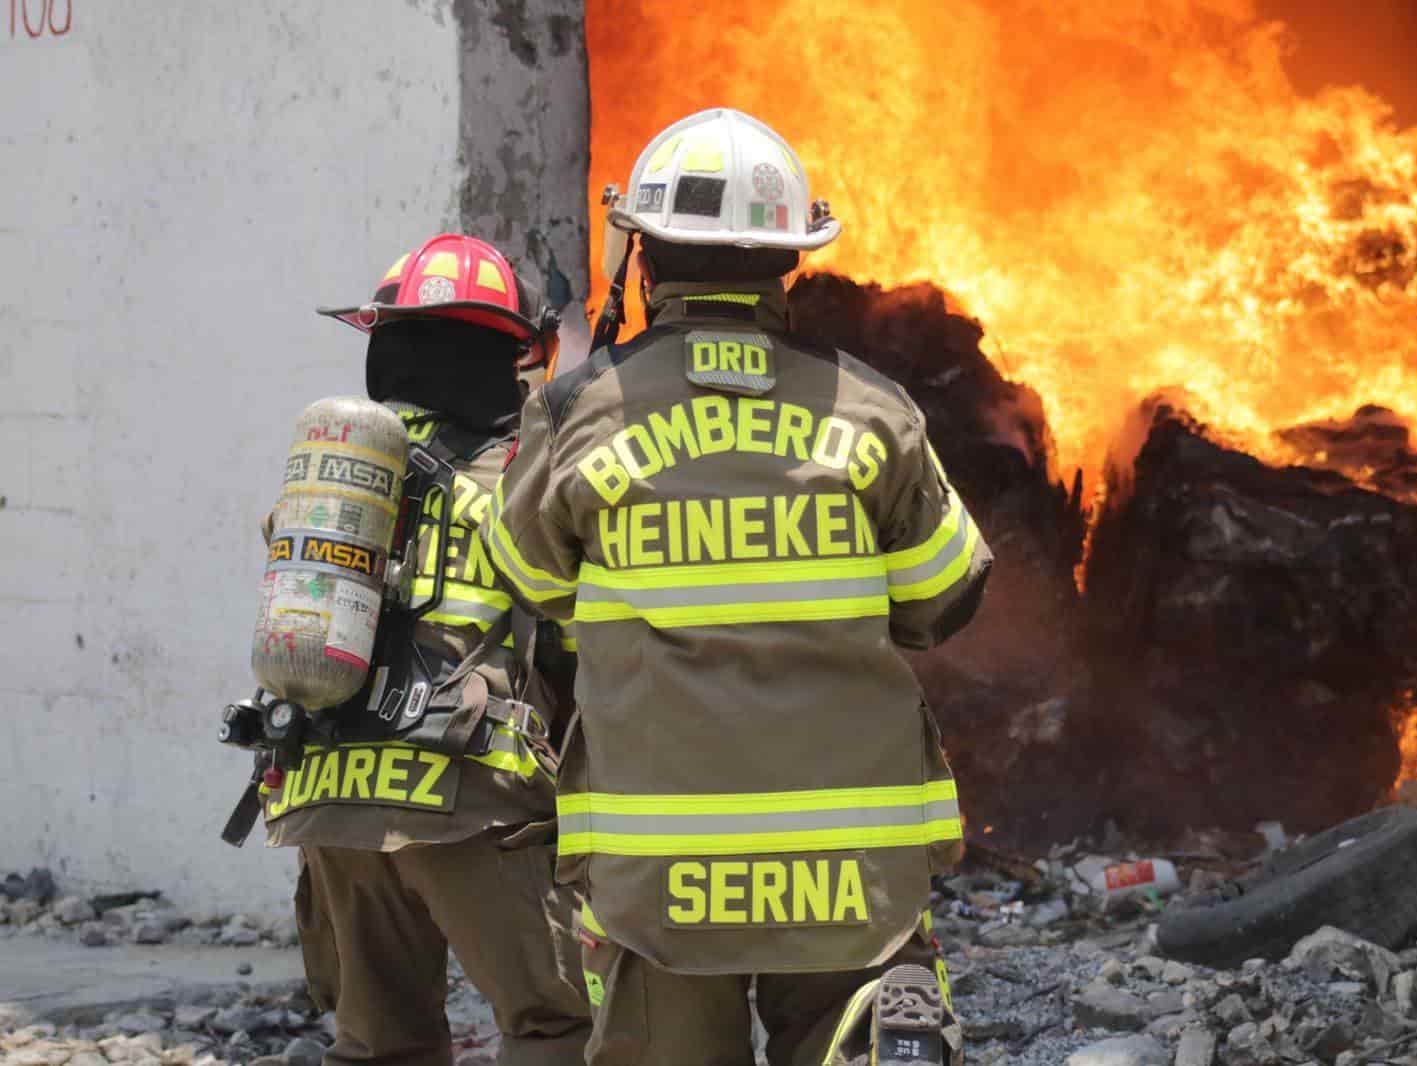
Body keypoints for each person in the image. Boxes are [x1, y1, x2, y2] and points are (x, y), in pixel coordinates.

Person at [482, 109, 992, 1065]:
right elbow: (946, 595)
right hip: (849, 869)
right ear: (790, 264)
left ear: (644, 260)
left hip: (660, 877)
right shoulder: (874, 410)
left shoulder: (579, 411)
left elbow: (528, 580)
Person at [262, 234, 591, 1066]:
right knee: (557, 1025)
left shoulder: (334, 480)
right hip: (468, 799)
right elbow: (581, 641)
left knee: (378, 1043)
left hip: (329, 795)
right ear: (506, 355)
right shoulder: (522, 479)